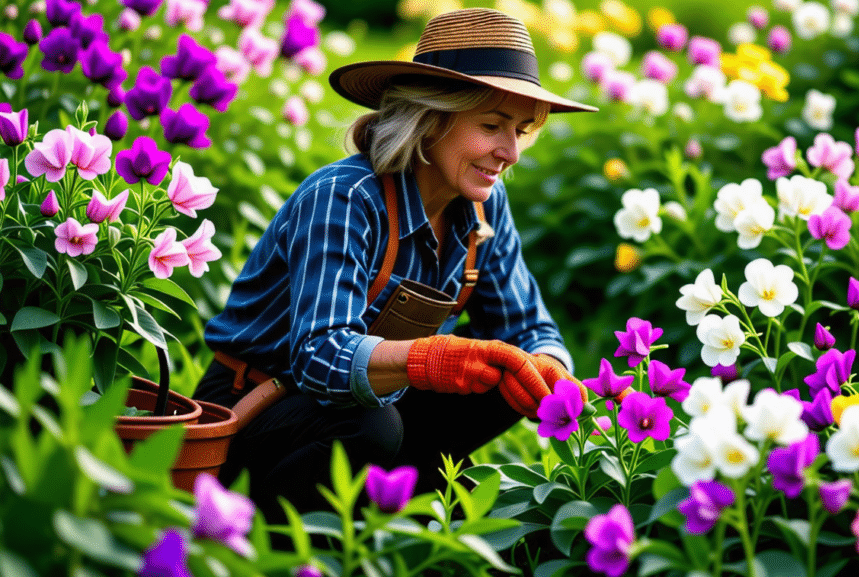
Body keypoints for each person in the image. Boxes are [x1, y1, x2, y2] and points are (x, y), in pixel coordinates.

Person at [193, 7, 596, 519]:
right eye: (492, 125)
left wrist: (554, 372)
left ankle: (380, 519)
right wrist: (434, 359)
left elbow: (529, 327)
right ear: (430, 119)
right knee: (369, 426)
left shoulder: (483, 206)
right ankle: (270, 540)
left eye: (520, 129)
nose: (510, 152)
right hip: (255, 409)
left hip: (374, 406)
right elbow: (319, 357)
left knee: (504, 384)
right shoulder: (345, 198)